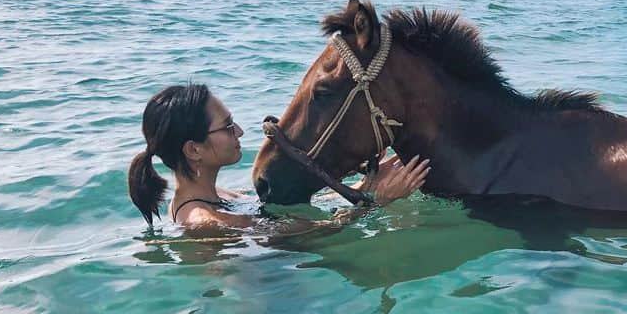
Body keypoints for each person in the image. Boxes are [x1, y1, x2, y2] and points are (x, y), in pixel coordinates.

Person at [127, 83, 428, 229]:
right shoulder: (204, 221)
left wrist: (366, 187)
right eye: (228, 127)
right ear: (194, 150)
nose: (241, 132)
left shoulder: (215, 195)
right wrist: (379, 203)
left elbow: (277, 215)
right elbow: (306, 237)